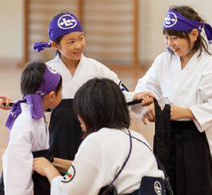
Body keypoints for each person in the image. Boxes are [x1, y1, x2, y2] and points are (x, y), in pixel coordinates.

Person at [133, 6, 212, 195]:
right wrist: (149, 104)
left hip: (195, 139)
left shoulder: (211, 66)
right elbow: (145, 88)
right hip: (165, 137)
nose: (170, 43)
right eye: (167, 38)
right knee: (166, 188)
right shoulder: (163, 61)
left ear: (194, 34)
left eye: (175, 38)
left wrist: (185, 112)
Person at [31, 12, 154, 161]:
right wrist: (13, 105)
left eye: (81, 38)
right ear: (55, 45)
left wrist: (136, 97)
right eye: (71, 42)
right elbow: (33, 105)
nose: (78, 46)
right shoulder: (46, 72)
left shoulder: (97, 69)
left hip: (92, 138)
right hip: (57, 140)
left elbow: (116, 92)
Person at [33, 78, 165, 195]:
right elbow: (92, 168)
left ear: (89, 113)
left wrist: (48, 169)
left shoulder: (97, 140)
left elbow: (66, 192)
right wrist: (53, 161)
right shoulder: (138, 137)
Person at [1, 61, 63, 195]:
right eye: (61, 90)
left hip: (38, 181)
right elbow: (17, 172)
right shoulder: (25, 123)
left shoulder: (36, 111)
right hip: (28, 185)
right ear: (51, 96)